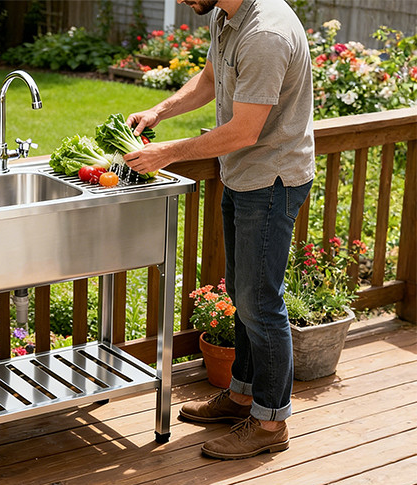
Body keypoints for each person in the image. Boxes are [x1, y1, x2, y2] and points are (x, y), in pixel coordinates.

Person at [124, 0, 314, 460]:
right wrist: (160, 112)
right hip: (243, 176)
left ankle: (271, 424)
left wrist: (167, 153)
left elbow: (246, 130)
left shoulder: (265, 34)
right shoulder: (225, 15)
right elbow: (210, 80)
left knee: (260, 302)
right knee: (244, 294)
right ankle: (243, 396)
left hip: (270, 180)